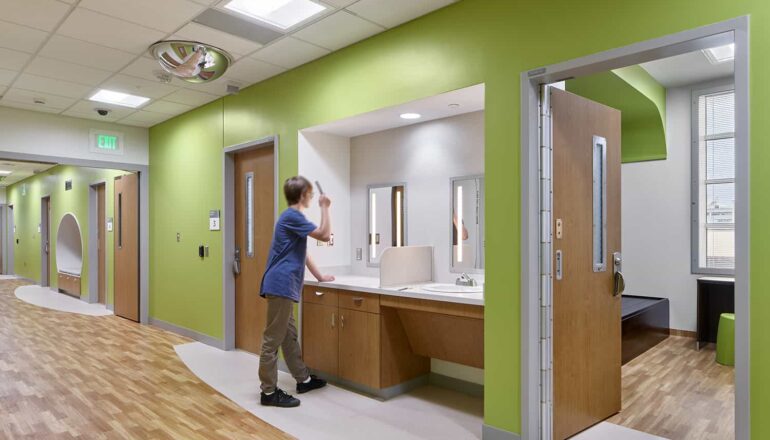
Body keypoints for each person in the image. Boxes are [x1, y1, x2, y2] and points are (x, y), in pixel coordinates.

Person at [258, 176, 335, 408]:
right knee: (272, 340)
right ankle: (269, 392)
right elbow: (323, 234)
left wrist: (320, 276)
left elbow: (304, 254)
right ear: (303, 196)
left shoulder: (291, 218)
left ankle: (304, 379)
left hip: (284, 286)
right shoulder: (292, 216)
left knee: (289, 336)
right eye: (310, 194)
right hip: (281, 285)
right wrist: (325, 207)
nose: (312, 198)